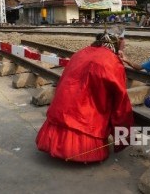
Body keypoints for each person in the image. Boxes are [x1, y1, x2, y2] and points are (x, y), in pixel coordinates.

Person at [36, 26, 134, 163]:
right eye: (124, 41)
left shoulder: (81, 53)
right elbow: (120, 101)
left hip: (62, 109)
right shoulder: (112, 62)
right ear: (120, 41)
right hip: (85, 117)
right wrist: (123, 136)